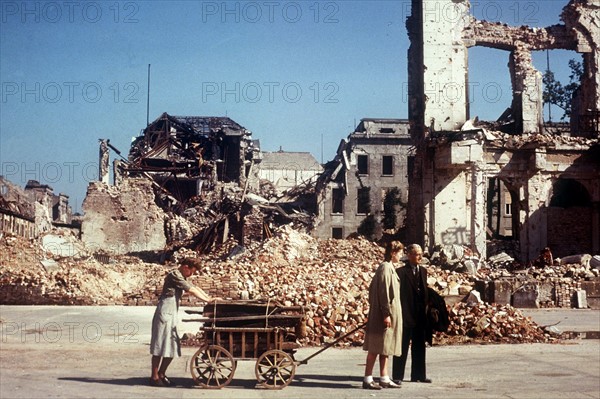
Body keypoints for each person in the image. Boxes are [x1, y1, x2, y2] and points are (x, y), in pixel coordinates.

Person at [149, 257, 217, 387]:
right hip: (165, 311)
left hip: (172, 311)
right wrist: (207, 301)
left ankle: (162, 374)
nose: (192, 274)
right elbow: (190, 290)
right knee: (160, 345)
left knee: (172, 345)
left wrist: (209, 298)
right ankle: (154, 376)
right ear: (186, 267)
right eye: (192, 271)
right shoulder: (174, 275)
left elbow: (194, 287)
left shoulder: (182, 276)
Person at [362, 240, 404, 390]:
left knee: (385, 347)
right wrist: (386, 314)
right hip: (384, 315)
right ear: (393, 253)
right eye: (399, 253)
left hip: (387, 314)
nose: (401, 255)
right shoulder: (385, 268)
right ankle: (367, 379)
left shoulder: (389, 268)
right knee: (376, 347)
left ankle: (384, 378)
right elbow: (384, 293)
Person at [393, 243, 432, 383]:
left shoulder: (423, 271)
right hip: (405, 313)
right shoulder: (401, 273)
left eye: (421, 254)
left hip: (420, 315)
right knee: (402, 345)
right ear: (409, 255)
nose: (419, 256)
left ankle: (419, 375)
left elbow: (424, 291)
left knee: (419, 345)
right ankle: (397, 376)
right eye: (416, 254)